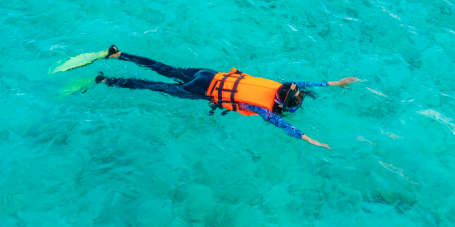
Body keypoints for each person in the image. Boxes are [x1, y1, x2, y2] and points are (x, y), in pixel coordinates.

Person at [95, 46, 358, 149]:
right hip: (203, 91)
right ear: (282, 103)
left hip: (209, 75)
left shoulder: (280, 85)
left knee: (163, 67)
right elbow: (281, 124)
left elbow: (301, 83)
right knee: (155, 86)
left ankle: (119, 55)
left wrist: (335, 83)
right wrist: (307, 137)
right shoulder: (263, 109)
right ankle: (108, 81)